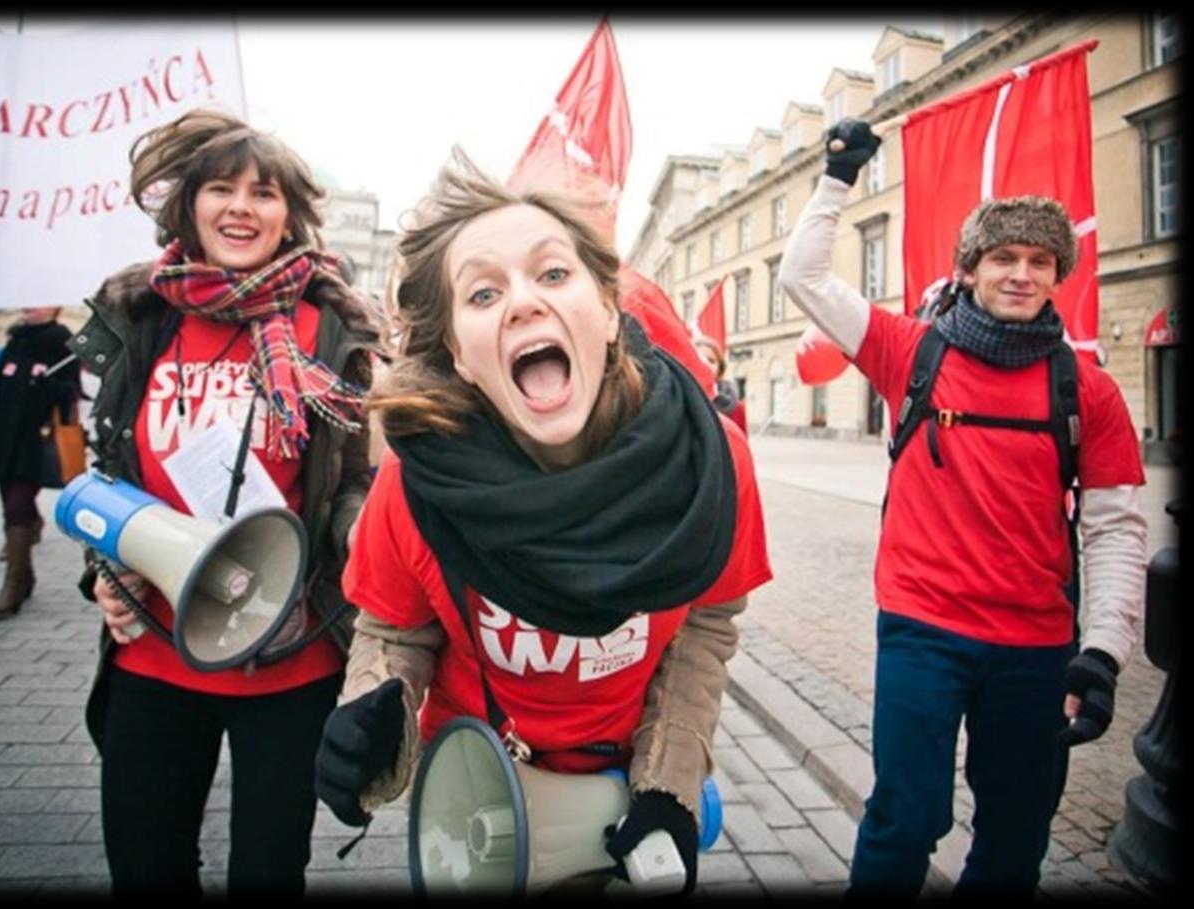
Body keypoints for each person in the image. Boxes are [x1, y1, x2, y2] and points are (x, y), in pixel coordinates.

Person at [314, 150, 772, 896]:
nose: (524, 303)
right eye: (484, 291)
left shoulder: (709, 465)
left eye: (553, 274)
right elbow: (395, 629)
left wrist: (668, 779)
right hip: (478, 787)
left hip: (621, 787)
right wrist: (373, 709)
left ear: (607, 309)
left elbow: (706, 623)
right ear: (459, 353)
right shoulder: (414, 483)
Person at [779, 119, 1148, 897]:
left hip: (1035, 645)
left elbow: (1116, 529)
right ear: (970, 268)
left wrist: (1103, 652)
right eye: (1003, 258)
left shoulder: (1086, 390)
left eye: (1039, 261)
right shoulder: (908, 350)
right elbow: (803, 277)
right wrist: (837, 178)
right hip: (922, 631)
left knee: (1015, 836)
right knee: (903, 821)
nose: (1020, 273)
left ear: (1057, 276)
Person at [70, 108, 383, 897]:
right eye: (222, 187)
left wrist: (357, 547)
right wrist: (105, 568)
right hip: (154, 648)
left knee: (269, 873)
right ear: (190, 206)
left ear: (289, 218)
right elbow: (108, 469)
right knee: (145, 868)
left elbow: (354, 483)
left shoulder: (328, 332)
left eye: (264, 193)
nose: (242, 206)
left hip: (290, 654)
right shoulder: (140, 319)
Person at [0, 305, 79, 619]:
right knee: (8, 506)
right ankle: (25, 577)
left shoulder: (63, 343)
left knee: (17, 507)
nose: (28, 307)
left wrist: (47, 384)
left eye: (37, 302)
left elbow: (71, 393)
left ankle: (11, 588)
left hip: (35, 441)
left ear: (54, 308)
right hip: (2, 437)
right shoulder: (16, 339)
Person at [693, 334, 747, 434]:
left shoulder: (737, 407)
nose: (705, 364)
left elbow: (741, 445)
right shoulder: (678, 399)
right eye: (699, 359)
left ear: (720, 368)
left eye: (711, 360)